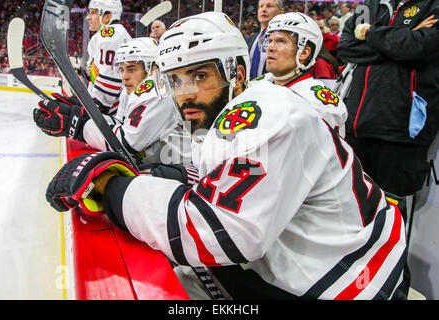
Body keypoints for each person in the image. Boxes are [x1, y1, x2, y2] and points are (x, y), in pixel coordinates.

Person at [45, 11, 408, 300]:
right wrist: (157, 176)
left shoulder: (264, 113)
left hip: (359, 282)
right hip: (331, 261)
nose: (185, 94)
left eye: (199, 76)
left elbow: (217, 231)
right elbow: (219, 180)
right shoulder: (235, 111)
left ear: (236, 74)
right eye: (175, 81)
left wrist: (115, 191)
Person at [33, 37, 192, 169]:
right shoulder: (129, 92)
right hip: (159, 166)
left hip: (181, 172)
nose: (124, 77)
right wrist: (84, 114)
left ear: (153, 69)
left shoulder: (158, 91)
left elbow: (126, 145)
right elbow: (121, 125)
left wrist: (77, 126)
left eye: (131, 69)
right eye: (122, 69)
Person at [337, 0, 439, 197]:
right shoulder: (371, 6)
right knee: (352, 210)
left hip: (400, 134)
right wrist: (400, 40)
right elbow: (346, 47)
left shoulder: (433, 5)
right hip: (356, 128)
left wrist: (369, 33)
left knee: (391, 214)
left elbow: (418, 46)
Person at [260, 12, 347, 136]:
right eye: (270, 41)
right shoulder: (258, 84)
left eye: (280, 41)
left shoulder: (318, 103)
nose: (270, 47)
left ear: (304, 52)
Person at [85, 0, 132, 115]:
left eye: (93, 12)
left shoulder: (110, 36)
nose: (88, 17)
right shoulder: (112, 34)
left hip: (110, 112)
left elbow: (110, 81)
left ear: (107, 16)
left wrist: (95, 108)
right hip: (115, 108)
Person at [246, 0, 284, 79]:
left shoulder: (285, 43)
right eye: (261, 6)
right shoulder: (248, 41)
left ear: (281, 12)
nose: (264, 9)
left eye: (269, 6)